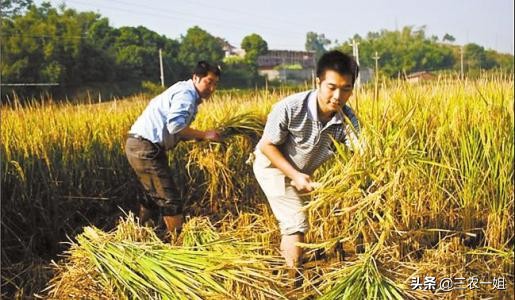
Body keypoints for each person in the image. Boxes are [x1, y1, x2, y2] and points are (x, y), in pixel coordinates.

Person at [252, 50, 361, 285]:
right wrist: (294, 175)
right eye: (331, 87)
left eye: (346, 89)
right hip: (271, 166)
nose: (338, 96)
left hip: (301, 172)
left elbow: (361, 152)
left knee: (293, 219)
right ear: (318, 82)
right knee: (296, 222)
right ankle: (292, 280)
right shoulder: (290, 108)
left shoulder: (347, 120)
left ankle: (287, 265)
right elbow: (267, 146)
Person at [125, 61, 222, 237]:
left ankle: (141, 235)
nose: (212, 88)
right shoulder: (186, 94)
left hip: (142, 146)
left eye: (215, 83)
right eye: (209, 82)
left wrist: (197, 138)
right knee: (170, 199)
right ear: (196, 77)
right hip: (144, 147)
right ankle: (178, 245)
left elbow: (178, 132)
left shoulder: (184, 92)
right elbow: (176, 126)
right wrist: (204, 134)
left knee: (152, 196)